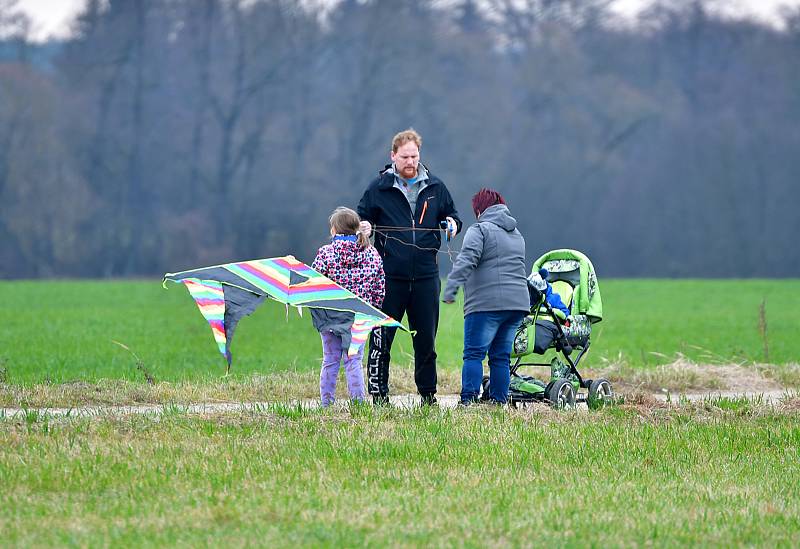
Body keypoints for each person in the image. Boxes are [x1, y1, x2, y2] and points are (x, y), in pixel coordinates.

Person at [357, 129, 462, 405]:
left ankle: (428, 395)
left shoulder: (435, 187)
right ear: (393, 156)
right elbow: (359, 220)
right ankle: (379, 395)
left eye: (414, 156)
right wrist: (364, 228)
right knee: (382, 338)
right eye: (404, 157)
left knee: (426, 340)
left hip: (427, 277)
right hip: (389, 277)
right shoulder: (378, 188)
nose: (410, 162)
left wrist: (452, 225)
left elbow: (454, 216)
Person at [442, 188, 529, 405]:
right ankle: (499, 403)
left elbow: (467, 259)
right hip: (517, 305)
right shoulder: (516, 233)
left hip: (485, 305)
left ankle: (468, 401)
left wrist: (451, 287)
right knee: (500, 357)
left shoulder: (479, 230)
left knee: (474, 354)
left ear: (479, 210)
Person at [311, 207, 385, 407]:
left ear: (334, 230)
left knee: (330, 360)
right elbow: (379, 287)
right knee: (354, 362)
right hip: (359, 318)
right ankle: (359, 405)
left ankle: (326, 404)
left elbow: (313, 283)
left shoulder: (325, 253)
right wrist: (374, 310)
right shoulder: (371, 253)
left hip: (330, 318)